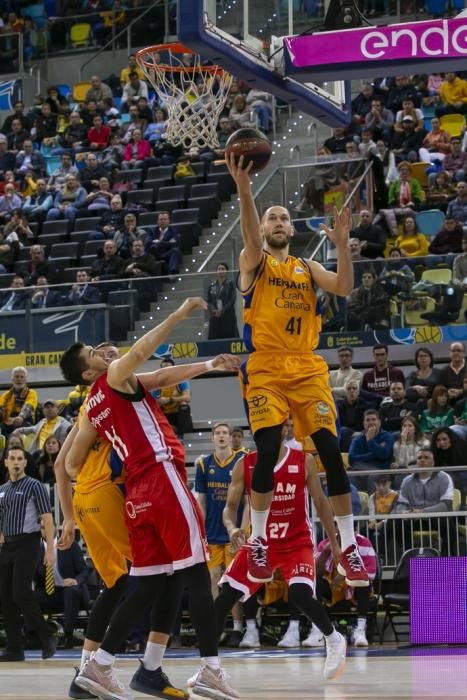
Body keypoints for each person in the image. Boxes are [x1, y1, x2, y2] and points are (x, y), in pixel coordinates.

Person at [60, 299, 241, 700]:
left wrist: (209, 367)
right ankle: (211, 669)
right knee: (196, 571)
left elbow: (71, 464)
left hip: (135, 494)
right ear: (90, 372)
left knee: (147, 583)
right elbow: (143, 353)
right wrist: (179, 314)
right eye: (95, 354)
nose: (104, 353)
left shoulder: (92, 407)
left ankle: (100, 665)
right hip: (161, 476)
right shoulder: (113, 378)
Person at [226, 153, 368, 587]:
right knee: (267, 450)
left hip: (307, 369)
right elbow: (249, 235)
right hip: (266, 367)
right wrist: (246, 191)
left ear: (292, 228)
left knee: (329, 451)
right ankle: (260, 541)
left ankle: (347, 549)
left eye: (284, 217)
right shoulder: (255, 262)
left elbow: (344, 287)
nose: (279, 222)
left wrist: (342, 245)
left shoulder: (308, 268)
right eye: (273, 218)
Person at [214, 427, 347, 677]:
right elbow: (230, 506)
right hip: (261, 543)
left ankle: (333, 638)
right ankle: (209, 667)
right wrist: (232, 528)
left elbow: (321, 503)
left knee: (299, 593)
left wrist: (335, 543)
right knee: (223, 600)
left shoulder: (304, 460)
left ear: (285, 431)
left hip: (297, 542)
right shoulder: (245, 464)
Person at [0, 446, 58, 661]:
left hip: (29, 543)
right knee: (5, 598)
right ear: (6, 462)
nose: (16, 462)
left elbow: (47, 518)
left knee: (21, 593)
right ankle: (15, 649)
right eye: (12, 458)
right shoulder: (2, 489)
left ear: (25, 463)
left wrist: (50, 549)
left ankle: (46, 633)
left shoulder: (35, 486)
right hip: (7, 546)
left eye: (20, 459)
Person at [195, 423, 246, 646]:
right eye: (218, 433)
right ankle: (215, 628)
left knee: (232, 583)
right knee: (213, 579)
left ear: (230, 437)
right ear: (213, 438)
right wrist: (201, 531)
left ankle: (237, 627)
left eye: (226, 433)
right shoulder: (204, 465)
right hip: (212, 532)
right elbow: (202, 501)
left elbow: (248, 499)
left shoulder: (241, 461)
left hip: (234, 532)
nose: (222, 436)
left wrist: (244, 529)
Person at [312, 531, 377, 649]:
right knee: (317, 583)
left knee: (364, 583)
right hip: (333, 589)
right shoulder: (325, 543)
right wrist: (326, 552)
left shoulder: (364, 543)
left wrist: (345, 574)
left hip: (354, 589)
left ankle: (360, 630)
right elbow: (315, 572)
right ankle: (317, 631)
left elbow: (371, 573)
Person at [34, 526, 90, 649]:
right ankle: (35, 636)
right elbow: (36, 577)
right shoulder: (37, 550)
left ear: (53, 528)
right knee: (29, 595)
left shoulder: (69, 545)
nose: (43, 530)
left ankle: (68, 635)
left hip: (69, 591)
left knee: (71, 592)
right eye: (41, 528)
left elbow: (85, 570)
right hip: (50, 592)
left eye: (45, 527)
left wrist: (75, 580)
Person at [394, 448, 454, 554]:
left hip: (435, 517)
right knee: (396, 522)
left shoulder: (444, 477)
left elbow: (446, 505)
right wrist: (403, 512)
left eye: (426, 458)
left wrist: (423, 512)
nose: (422, 460)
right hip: (414, 517)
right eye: (419, 458)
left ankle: (448, 558)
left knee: (448, 523)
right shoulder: (407, 480)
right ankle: (409, 556)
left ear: (433, 462)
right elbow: (401, 503)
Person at [348, 409, 395, 492]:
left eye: (373, 419)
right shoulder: (357, 439)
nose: (371, 422)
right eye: (368, 420)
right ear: (364, 424)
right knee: (349, 474)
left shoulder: (387, 436)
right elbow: (351, 459)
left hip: (381, 471)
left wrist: (370, 440)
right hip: (360, 471)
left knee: (373, 474)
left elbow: (384, 454)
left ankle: (373, 503)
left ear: (379, 422)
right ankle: (355, 502)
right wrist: (373, 455)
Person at [152, 357, 194, 439]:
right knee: (154, 409)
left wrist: (170, 399)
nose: (166, 370)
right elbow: (152, 402)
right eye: (163, 368)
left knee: (184, 404)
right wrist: (159, 402)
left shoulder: (180, 380)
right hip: (165, 413)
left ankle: (180, 432)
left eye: (168, 367)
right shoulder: (157, 384)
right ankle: (166, 430)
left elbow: (187, 397)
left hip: (177, 412)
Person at [431, 427, 467, 508]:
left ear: (451, 439)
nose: (442, 442)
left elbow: (461, 464)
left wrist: (449, 451)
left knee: (455, 478)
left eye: (444, 439)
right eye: (438, 440)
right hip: (443, 477)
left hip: (461, 475)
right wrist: (439, 452)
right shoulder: (434, 451)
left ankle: (462, 507)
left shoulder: (461, 446)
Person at [0, 366, 38, 437]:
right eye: (16, 377)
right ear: (12, 379)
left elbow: (28, 407)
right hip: (6, 424)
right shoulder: (6, 395)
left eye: (22, 377)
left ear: (25, 379)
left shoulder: (31, 393)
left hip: (23, 423)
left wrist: (21, 417)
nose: (19, 379)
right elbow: (0, 408)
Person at [206, 262, 240, 340]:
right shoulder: (211, 285)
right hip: (215, 316)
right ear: (216, 271)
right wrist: (213, 310)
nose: (220, 270)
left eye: (222, 269)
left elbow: (232, 299)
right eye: (219, 269)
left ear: (226, 271)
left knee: (229, 340)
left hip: (227, 316)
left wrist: (222, 310)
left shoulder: (231, 283)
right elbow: (209, 301)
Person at [336, 380, 367, 452]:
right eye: (349, 389)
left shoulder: (365, 405)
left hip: (360, 431)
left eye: (354, 388)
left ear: (358, 392)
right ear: (345, 392)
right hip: (342, 431)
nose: (351, 390)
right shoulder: (338, 405)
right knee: (343, 431)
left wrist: (362, 432)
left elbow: (370, 423)